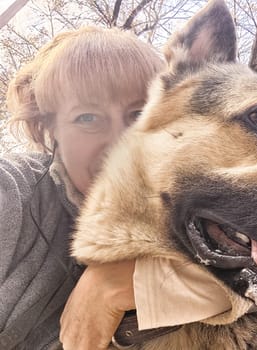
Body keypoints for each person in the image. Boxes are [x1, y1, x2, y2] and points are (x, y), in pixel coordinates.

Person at [0, 26, 164, 349]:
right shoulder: (14, 196)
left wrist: (146, 280)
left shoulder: (191, 208)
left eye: (139, 114)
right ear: (49, 128)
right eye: (87, 117)